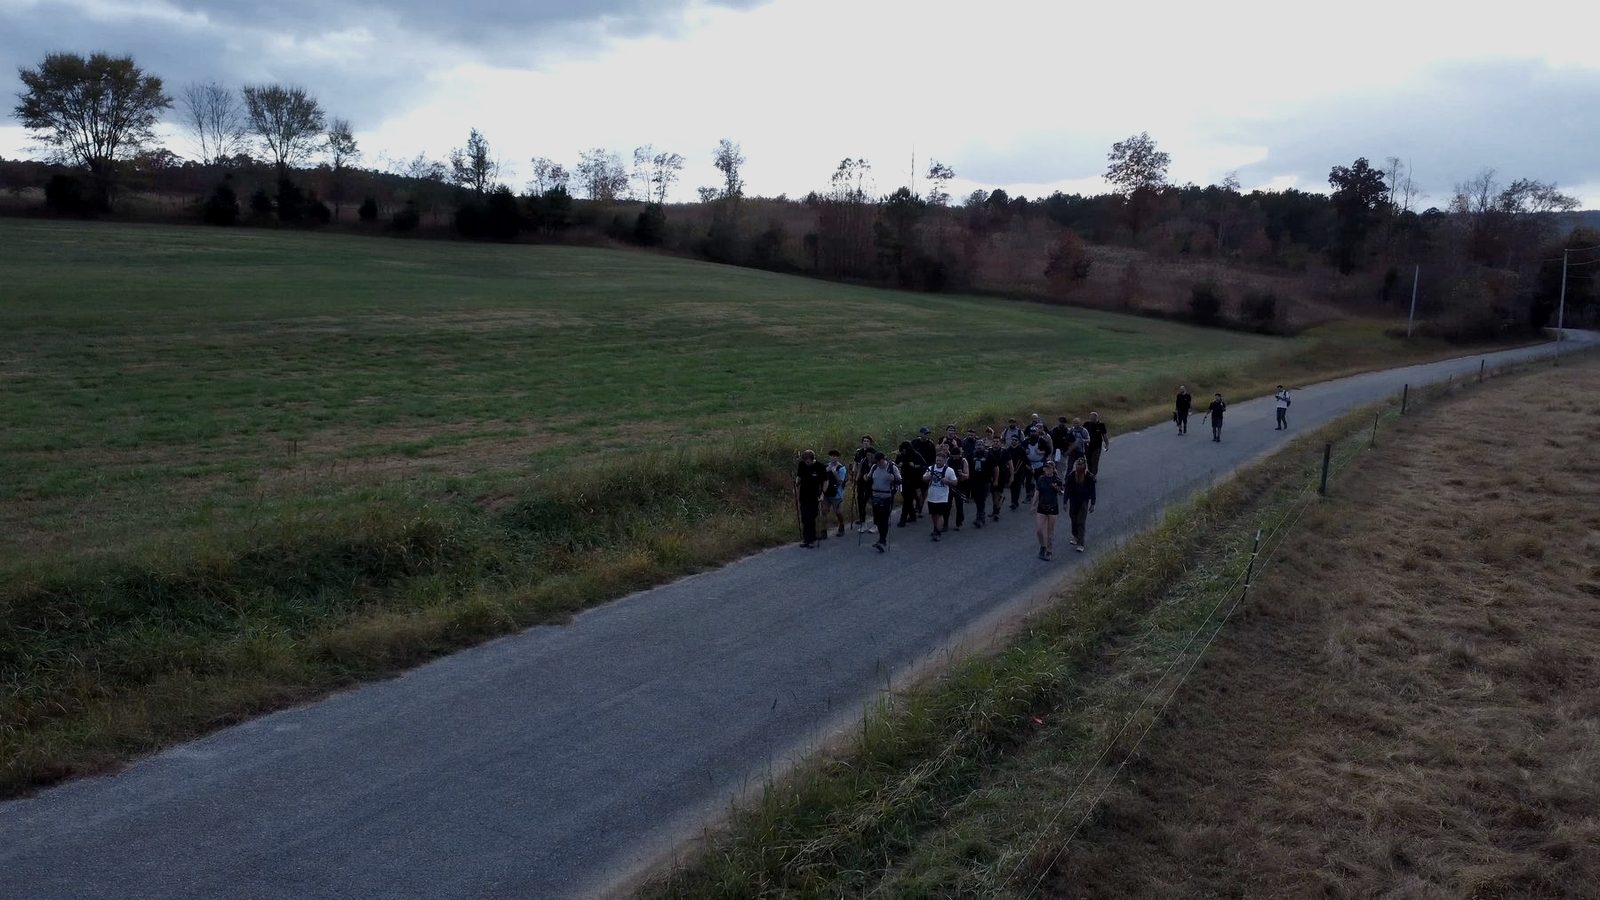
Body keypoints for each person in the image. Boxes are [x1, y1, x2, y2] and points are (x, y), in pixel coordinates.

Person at [866, 451, 901, 553]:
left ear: (883, 460)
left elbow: (899, 480)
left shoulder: (892, 468)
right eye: (876, 462)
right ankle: (881, 539)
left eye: (879, 462)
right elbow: (869, 478)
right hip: (875, 496)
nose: (877, 463)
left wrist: (893, 478)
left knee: (884, 520)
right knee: (877, 520)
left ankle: (882, 540)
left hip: (887, 497)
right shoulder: (874, 467)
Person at [794, 449, 828, 548]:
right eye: (805, 461)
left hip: (815, 496)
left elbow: (825, 481)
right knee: (804, 518)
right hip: (804, 495)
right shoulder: (802, 465)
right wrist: (796, 485)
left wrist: (822, 494)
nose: (807, 463)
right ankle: (806, 539)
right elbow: (799, 476)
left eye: (808, 461)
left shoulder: (820, 466)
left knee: (811, 517)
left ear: (812, 459)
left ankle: (812, 539)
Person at [1031, 458, 1063, 560]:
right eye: (1046, 467)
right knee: (1039, 530)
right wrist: (1033, 504)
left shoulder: (1057, 480)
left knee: (1050, 532)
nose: (1048, 469)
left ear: (1053, 469)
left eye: (1050, 468)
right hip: (1042, 507)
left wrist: (1056, 488)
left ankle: (1049, 550)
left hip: (1053, 507)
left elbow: (1061, 492)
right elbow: (1037, 492)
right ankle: (1042, 546)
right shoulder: (1041, 479)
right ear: (1044, 469)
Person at [1063, 457, 1097, 551]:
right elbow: (1067, 489)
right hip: (1073, 501)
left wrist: (1093, 504)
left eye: (1081, 466)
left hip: (1084, 501)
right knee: (1073, 519)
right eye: (1077, 465)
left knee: (1081, 522)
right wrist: (1065, 502)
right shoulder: (1071, 476)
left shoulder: (1089, 477)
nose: (1079, 468)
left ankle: (1081, 543)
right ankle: (1075, 536)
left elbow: (1093, 491)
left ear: (1084, 466)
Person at [924, 448, 958, 541]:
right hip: (932, 496)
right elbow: (924, 478)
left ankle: (938, 532)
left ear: (945, 460)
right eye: (937, 460)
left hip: (943, 497)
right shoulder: (931, 468)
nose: (938, 462)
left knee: (940, 515)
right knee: (933, 515)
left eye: (940, 460)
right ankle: (935, 528)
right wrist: (928, 476)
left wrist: (947, 481)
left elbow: (955, 482)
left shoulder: (949, 470)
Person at [896, 440, 925, 526]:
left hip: (913, 480)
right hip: (903, 479)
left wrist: (915, 466)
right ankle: (912, 515)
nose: (904, 451)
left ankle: (903, 519)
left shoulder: (915, 455)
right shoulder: (900, 455)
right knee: (906, 499)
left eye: (905, 449)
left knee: (907, 500)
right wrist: (899, 465)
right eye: (903, 450)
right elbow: (896, 465)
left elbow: (924, 465)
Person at [852, 435, 877, 533]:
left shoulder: (875, 454)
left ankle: (876, 523)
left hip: (872, 483)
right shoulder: (859, 453)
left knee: (874, 503)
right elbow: (856, 465)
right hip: (861, 482)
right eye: (864, 441)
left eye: (867, 441)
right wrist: (856, 477)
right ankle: (863, 523)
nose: (865, 442)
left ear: (870, 442)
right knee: (861, 502)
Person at [911, 427, 938, 516]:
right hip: (915, 470)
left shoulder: (930, 444)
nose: (927, 436)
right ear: (921, 434)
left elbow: (934, 458)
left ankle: (920, 508)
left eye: (927, 434)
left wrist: (932, 468)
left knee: (924, 490)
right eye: (925, 434)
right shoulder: (914, 443)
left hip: (926, 470)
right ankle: (917, 505)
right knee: (916, 491)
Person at [824, 449, 849, 537]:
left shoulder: (841, 468)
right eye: (831, 456)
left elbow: (841, 482)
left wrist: (834, 473)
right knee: (824, 511)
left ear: (838, 457)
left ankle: (841, 526)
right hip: (826, 492)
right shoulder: (826, 466)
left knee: (838, 512)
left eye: (835, 456)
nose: (833, 458)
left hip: (837, 493)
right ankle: (824, 531)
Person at [967, 437, 991, 529]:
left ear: (984, 446)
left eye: (981, 445)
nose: (979, 447)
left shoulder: (989, 455)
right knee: (977, 499)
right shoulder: (971, 456)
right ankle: (981, 514)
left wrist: (995, 479)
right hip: (974, 482)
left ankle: (980, 518)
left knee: (981, 499)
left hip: (985, 481)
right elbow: (967, 467)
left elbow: (996, 468)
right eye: (977, 445)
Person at [947, 443, 970, 530]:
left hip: (960, 485)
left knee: (959, 506)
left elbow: (967, 475)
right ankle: (945, 523)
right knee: (947, 505)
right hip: (950, 485)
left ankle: (959, 523)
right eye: (953, 456)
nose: (955, 458)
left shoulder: (963, 461)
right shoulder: (949, 460)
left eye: (956, 456)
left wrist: (962, 474)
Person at [1084, 412, 1110, 476]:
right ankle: (1090, 473)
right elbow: (1082, 432)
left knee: (1094, 461)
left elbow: (1104, 435)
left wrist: (1107, 444)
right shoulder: (1086, 424)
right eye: (1091, 418)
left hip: (1097, 446)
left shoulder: (1101, 425)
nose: (1092, 420)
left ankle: (1093, 475)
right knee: (1088, 461)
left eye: (1093, 418)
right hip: (1087, 446)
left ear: (1096, 418)